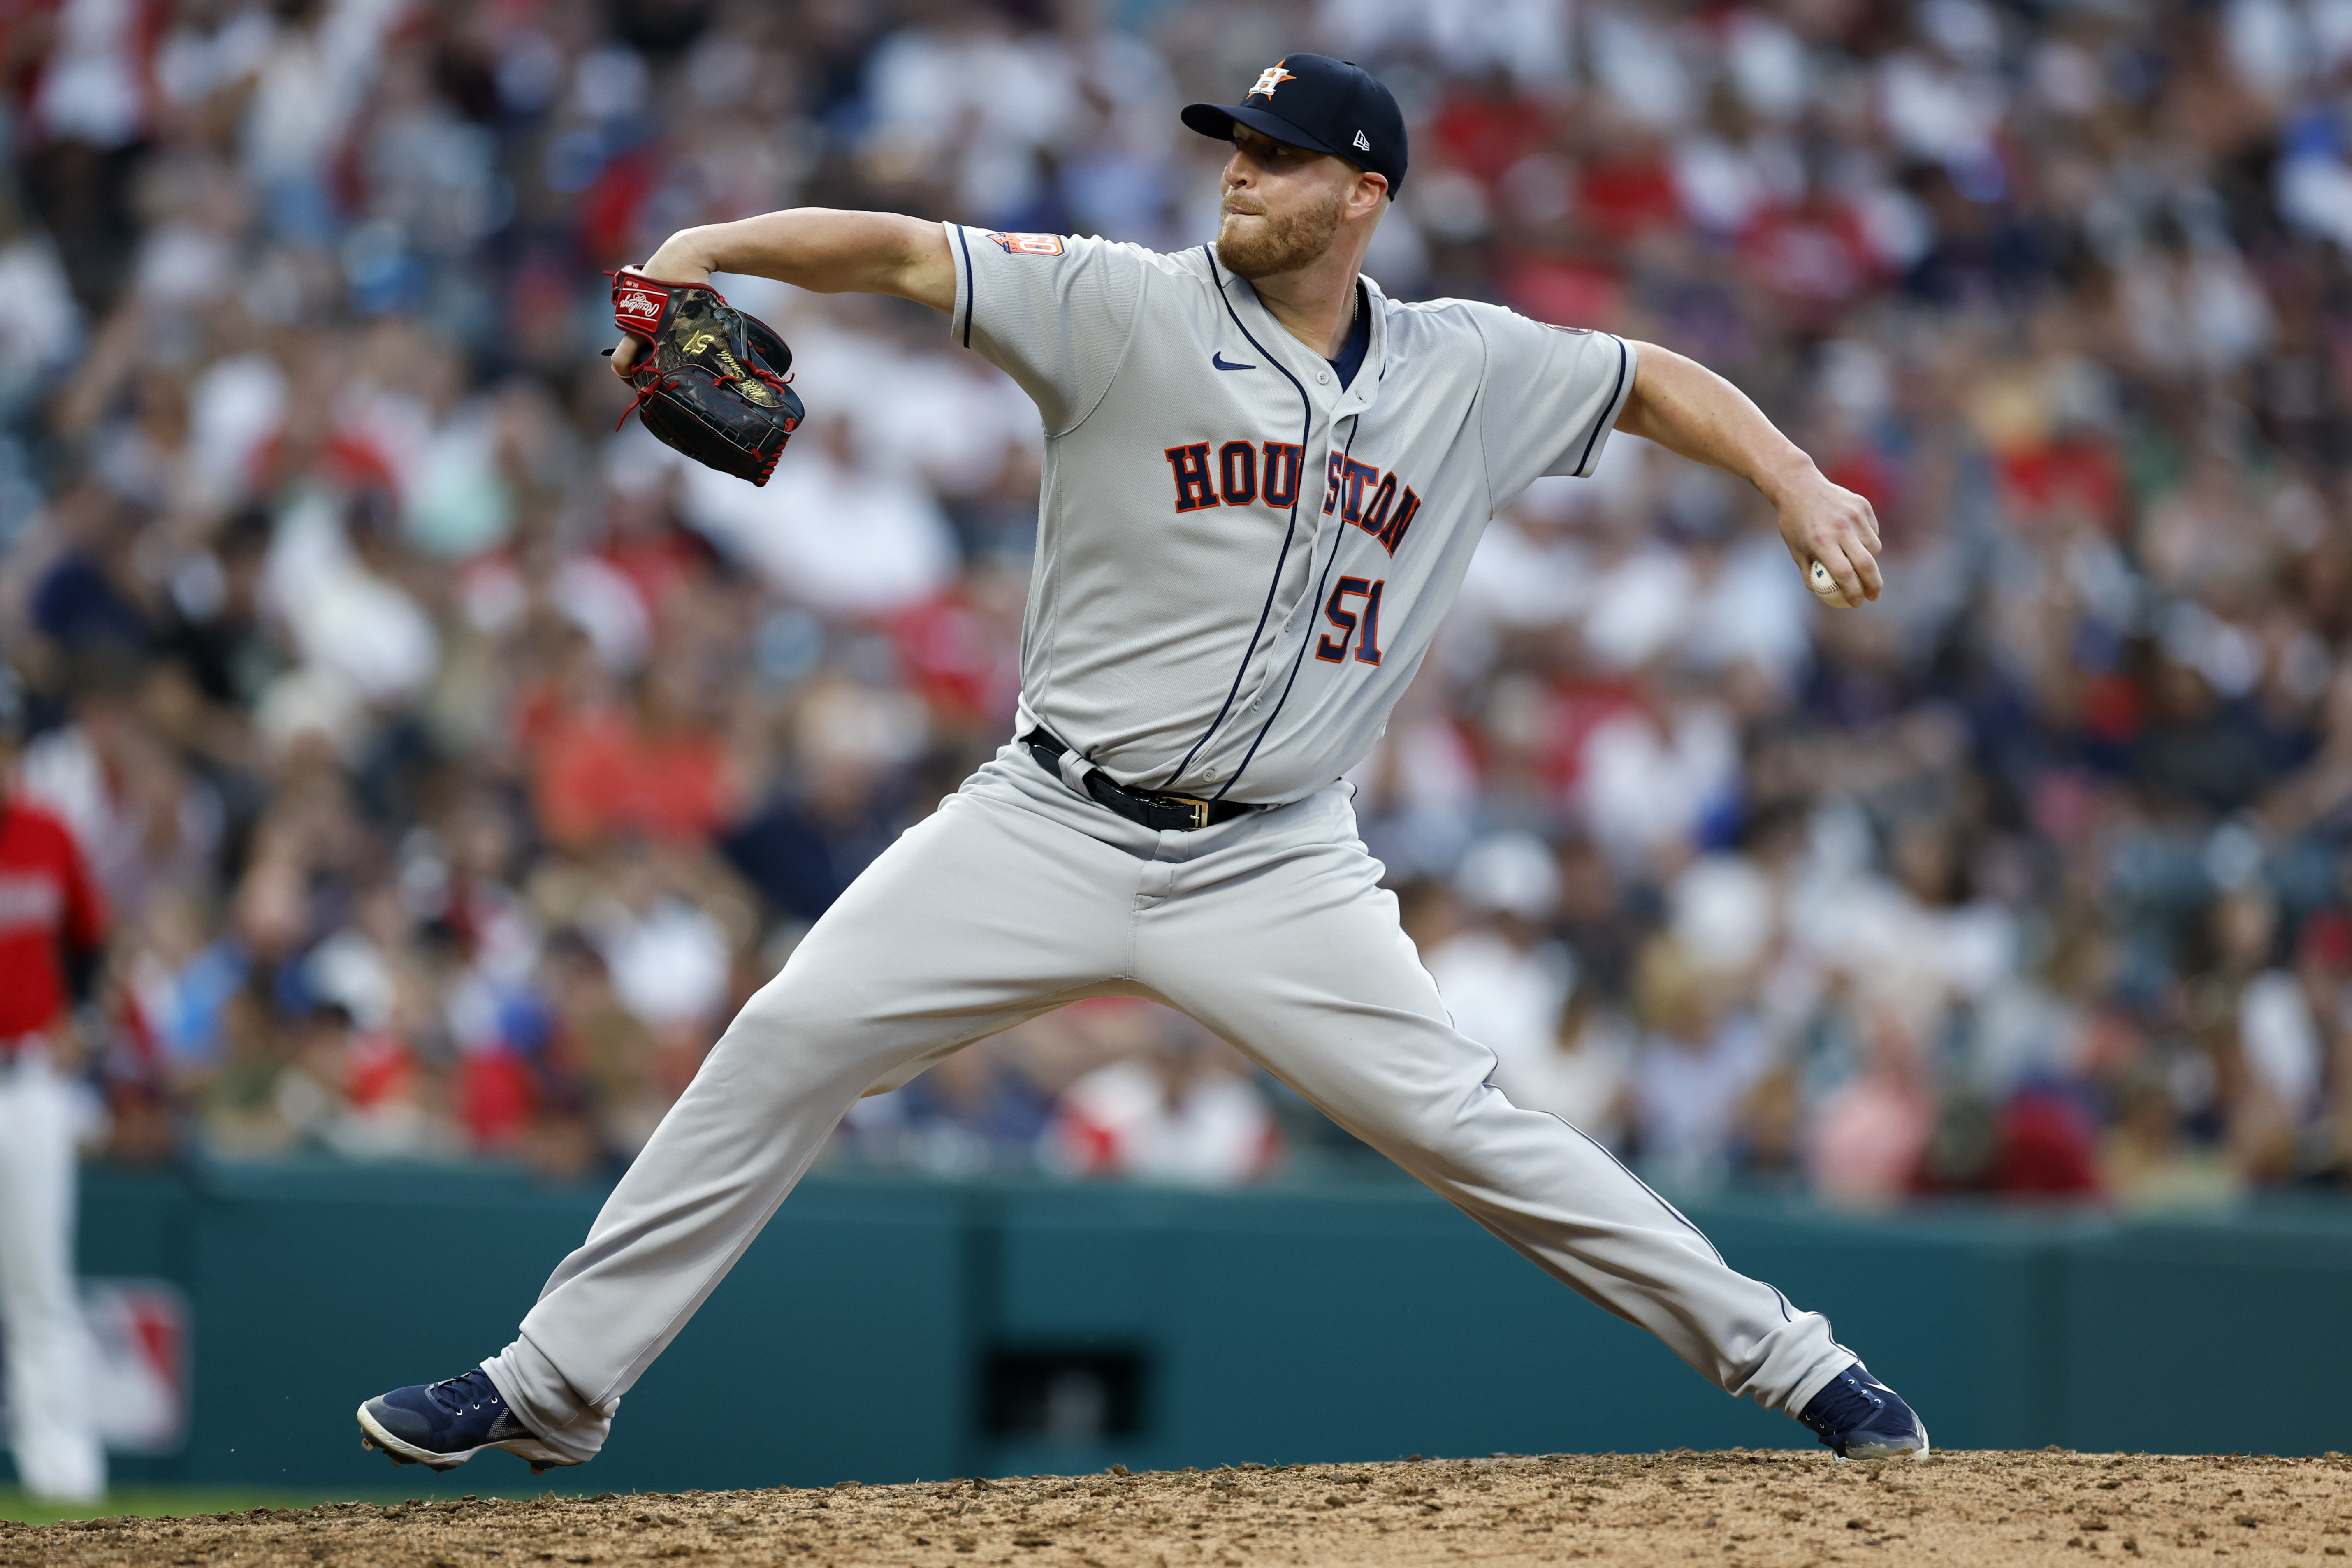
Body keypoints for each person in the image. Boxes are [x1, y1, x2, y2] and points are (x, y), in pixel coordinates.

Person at [357, 54, 1924, 1473]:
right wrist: (712, 248)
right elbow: (905, 251)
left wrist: (1792, 478)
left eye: (1278, 154)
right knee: (787, 1039)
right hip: (1047, 819)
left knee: (1469, 1125)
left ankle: (1804, 1370)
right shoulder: (1120, 301)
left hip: (1278, 861)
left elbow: (1644, 374)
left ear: (1361, 194)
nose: (1237, 172)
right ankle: (553, 1383)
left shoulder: (1468, 365)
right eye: (1232, 145)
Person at [0, 662, 111, 1503]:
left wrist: (83, 1019)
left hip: (30, 1075)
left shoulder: (46, 831)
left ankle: (63, 1477)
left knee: (41, 1280)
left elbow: (88, 941)